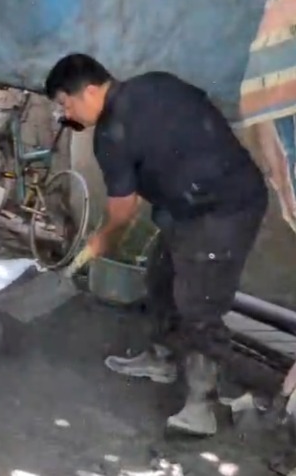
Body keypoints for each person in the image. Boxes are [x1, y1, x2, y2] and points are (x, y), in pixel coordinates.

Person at [47, 53, 268, 437]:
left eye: (67, 105)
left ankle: (201, 407)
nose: (68, 116)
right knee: (161, 277)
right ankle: (161, 357)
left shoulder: (111, 133)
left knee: (199, 304)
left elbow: (123, 210)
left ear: (92, 90)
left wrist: (101, 240)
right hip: (186, 206)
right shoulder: (157, 81)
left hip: (226, 207)